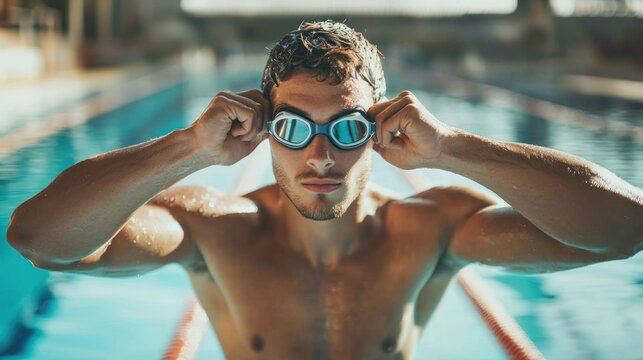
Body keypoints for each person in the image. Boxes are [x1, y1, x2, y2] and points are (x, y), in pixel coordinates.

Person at [7, 20, 642, 359]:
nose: (320, 154)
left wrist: (451, 146)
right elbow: (39, 239)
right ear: (260, 127)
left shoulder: (432, 228)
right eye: (291, 127)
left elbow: (625, 229)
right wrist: (187, 148)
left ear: (380, 126)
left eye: (346, 127)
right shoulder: (214, 230)